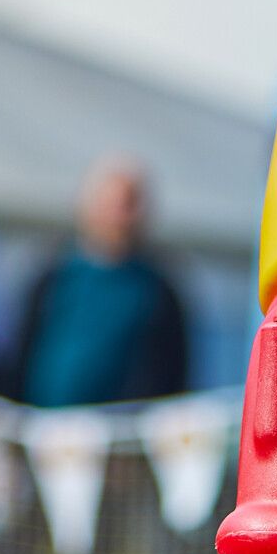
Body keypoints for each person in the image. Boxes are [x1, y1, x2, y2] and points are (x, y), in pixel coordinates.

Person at [13, 156, 190, 408]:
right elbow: (20, 349)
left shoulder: (159, 290)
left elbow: (172, 372)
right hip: (40, 429)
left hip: (118, 437)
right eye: (112, 203)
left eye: (129, 204)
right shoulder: (51, 274)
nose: (119, 216)